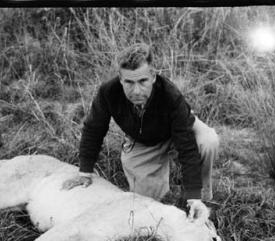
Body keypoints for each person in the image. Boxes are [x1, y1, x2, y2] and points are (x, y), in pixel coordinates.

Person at [62, 43, 219, 220]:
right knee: (145, 204)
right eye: (129, 82)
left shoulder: (171, 95)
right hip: (143, 140)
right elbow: (93, 129)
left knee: (207, 141)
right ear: (120, 78)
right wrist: (84, 171)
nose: (136, 91)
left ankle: (199, 199)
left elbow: (187, 146)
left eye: (142, 81)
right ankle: (160, 184)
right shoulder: (108, 92)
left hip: (179, 130)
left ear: (153, 76)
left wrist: (193, 196)